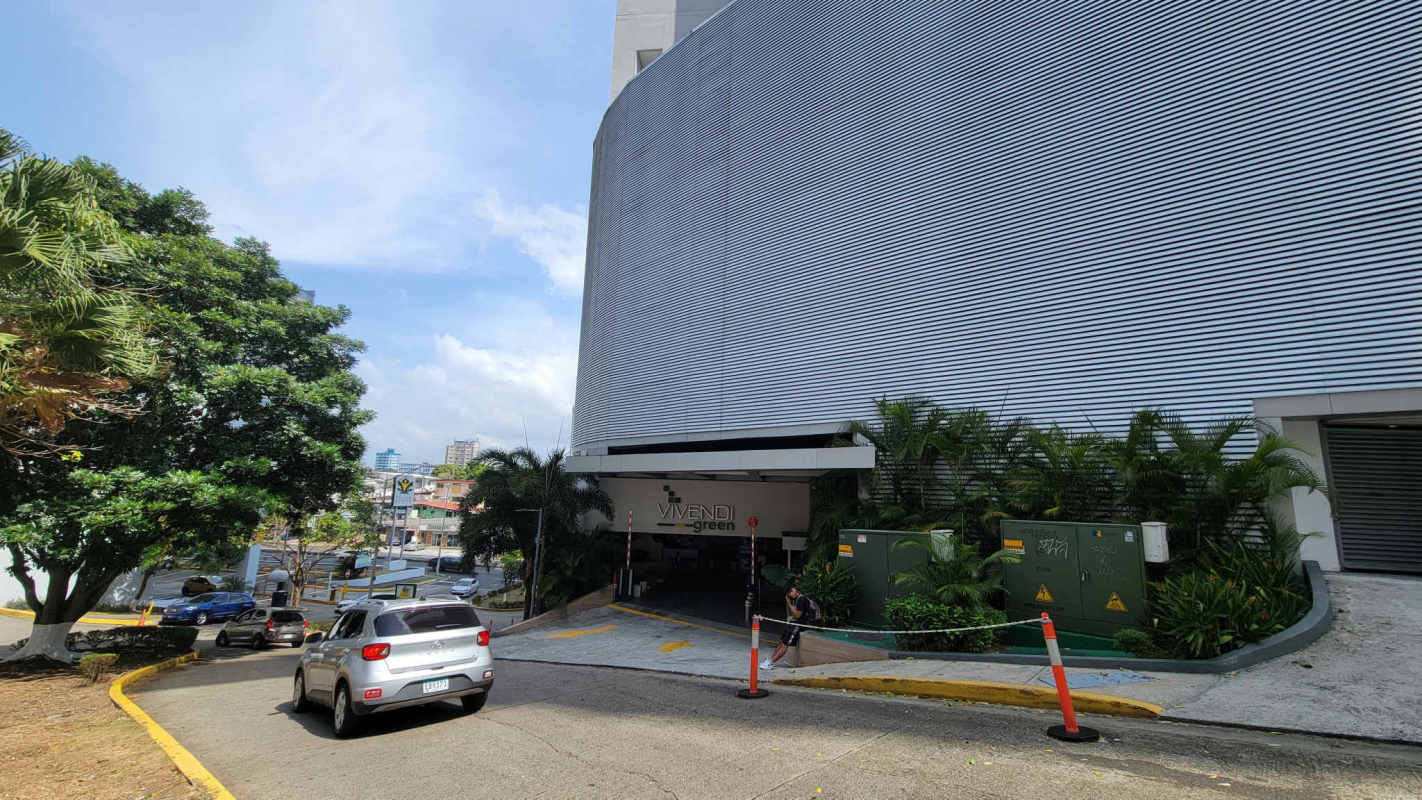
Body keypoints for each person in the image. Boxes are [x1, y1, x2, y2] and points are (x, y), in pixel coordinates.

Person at [762, 586, 815, 670]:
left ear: (795, 590)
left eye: (791, 591)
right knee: (781, 642)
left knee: (785, 645)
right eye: (789, 593)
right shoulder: (796, 599)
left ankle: (770, 663)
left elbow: (798, 615)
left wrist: (789, 604)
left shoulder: (801, 599)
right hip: (794, 623)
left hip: (799, 625)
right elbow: (795, 614)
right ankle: (770, 660)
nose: (791, 594)